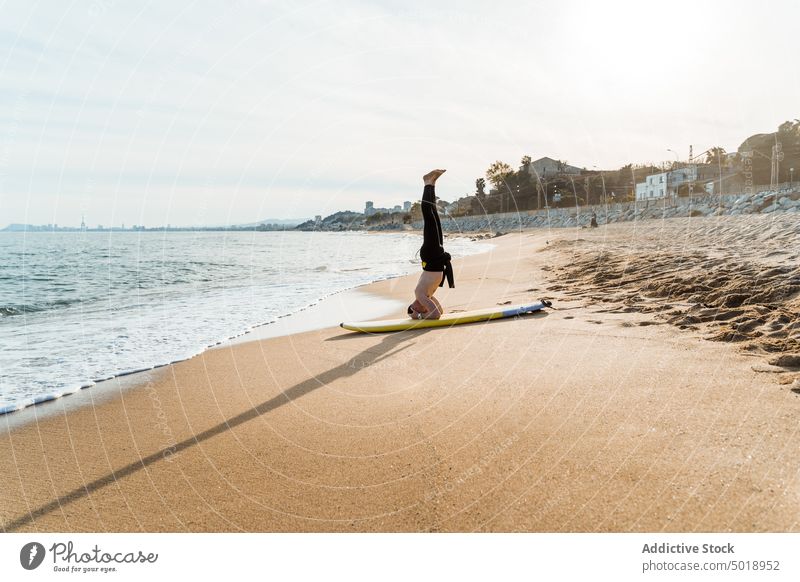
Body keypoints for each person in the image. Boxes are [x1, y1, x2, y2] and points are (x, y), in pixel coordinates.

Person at [407, 169, 454, 320]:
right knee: (434, 215)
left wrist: (420, 316)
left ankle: (427, 182)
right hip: (436, 257)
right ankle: (432, 183)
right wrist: (423, 312)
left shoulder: (419, 294)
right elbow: (439, 311)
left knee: (429, 217)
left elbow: (435, 316)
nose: (424, 306)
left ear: (415, 306)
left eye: (418, 309)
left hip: (431, 255)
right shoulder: (426, 295)